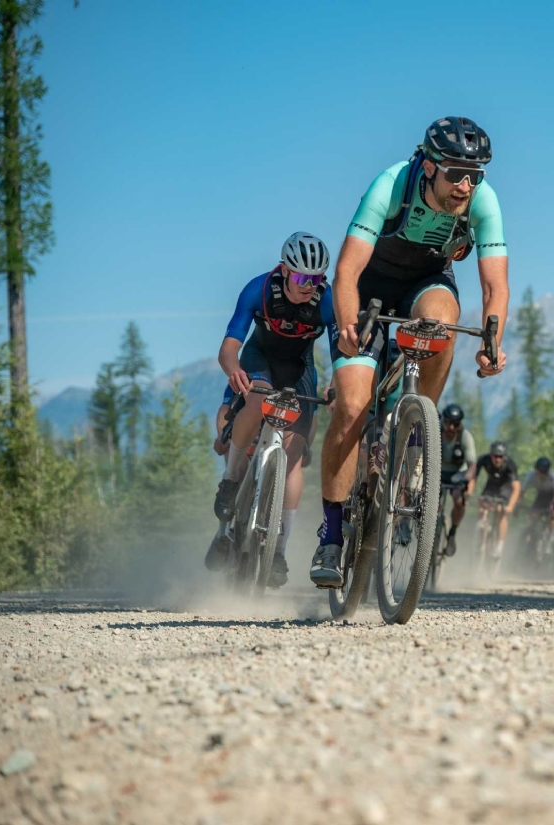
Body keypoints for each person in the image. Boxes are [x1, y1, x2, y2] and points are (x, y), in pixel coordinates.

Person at [312, 116, 510, 587]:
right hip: (368, 290)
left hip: (426, 284)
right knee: (352, 407)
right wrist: (347, 326)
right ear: (430, 166)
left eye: (475, 175)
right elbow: (346, 272)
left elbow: (494, 286)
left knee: (440, 321)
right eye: (456, 174)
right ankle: (332, 535)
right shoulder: (391, 184)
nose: (466, 186)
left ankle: (419, 427)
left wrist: (491, 344)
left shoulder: (483, 200)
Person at [205, 232, 335, 589]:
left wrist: (336, 384)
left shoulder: (327, 300)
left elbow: (342, 353)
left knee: (294, 455)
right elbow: (228, 348)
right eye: (301, 277)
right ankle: (230, 482)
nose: (308, 286)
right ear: (285, 270)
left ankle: (278, 550)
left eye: (316, 279)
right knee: (257, 399)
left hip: (299, 369)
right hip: (258, 359)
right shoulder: (258, 289)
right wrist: (234, 371)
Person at [465, 441, 521, 560]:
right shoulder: (484, 459)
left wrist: (510, 506)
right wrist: (468, 494)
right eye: (495, 456)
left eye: (501, 457)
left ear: (504, 456)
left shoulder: (510, 465)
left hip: (505, 488)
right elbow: (474, 478)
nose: (497, 459)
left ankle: (500, 545)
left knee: (501, 511)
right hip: (491, 486)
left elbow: (516, 488)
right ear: (490, 454)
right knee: (482, 505)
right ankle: (481, 531)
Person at [439, 402, 476, 556]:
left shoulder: (465, 437)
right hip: (437, 471)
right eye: (448, 422)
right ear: (443, 420)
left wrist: (465, 480)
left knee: (460, 502)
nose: (451, 428)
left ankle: (452, 533)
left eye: (455, 424)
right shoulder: (435, 431)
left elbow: (472, 466)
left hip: (457, 474)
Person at [520, 456, 554, 550]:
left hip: (552, 497)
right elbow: (522, 491)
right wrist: (519, 503)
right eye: (539, 472)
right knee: (533, 516)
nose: (541, 475)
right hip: (541, 497)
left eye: (543, 473)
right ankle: (531, 536)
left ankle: (551, 535)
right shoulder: (531, 474)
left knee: (551, 517)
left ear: (548, 471)